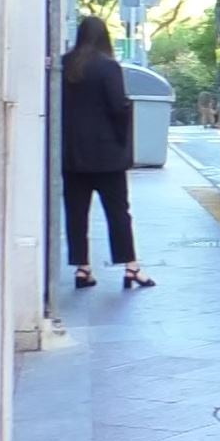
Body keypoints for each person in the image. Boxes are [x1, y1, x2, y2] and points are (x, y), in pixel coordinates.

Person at [62, 17, 155, 289]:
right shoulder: (108, 67)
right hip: (107, 157)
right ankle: (130, 267)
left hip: (72, 155)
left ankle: (82, 268)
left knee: (76, 212)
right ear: (104, 37)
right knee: (118, 212)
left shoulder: (64, 65)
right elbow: (118, 107)